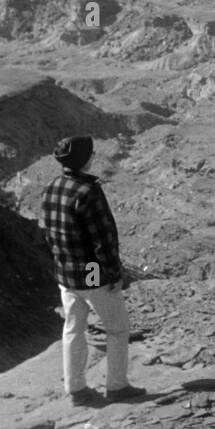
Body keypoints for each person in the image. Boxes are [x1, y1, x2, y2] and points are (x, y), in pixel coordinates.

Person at [40, 135, 145, 406]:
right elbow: (104, 239)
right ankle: (117, 386)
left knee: (73, 328)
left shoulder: (52, 187)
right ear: (84, 159)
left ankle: (76, 390)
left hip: (65, 271)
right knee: (118, 329)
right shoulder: (88, 191)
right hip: (90, 271)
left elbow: (48, 232)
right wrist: (112, 274)